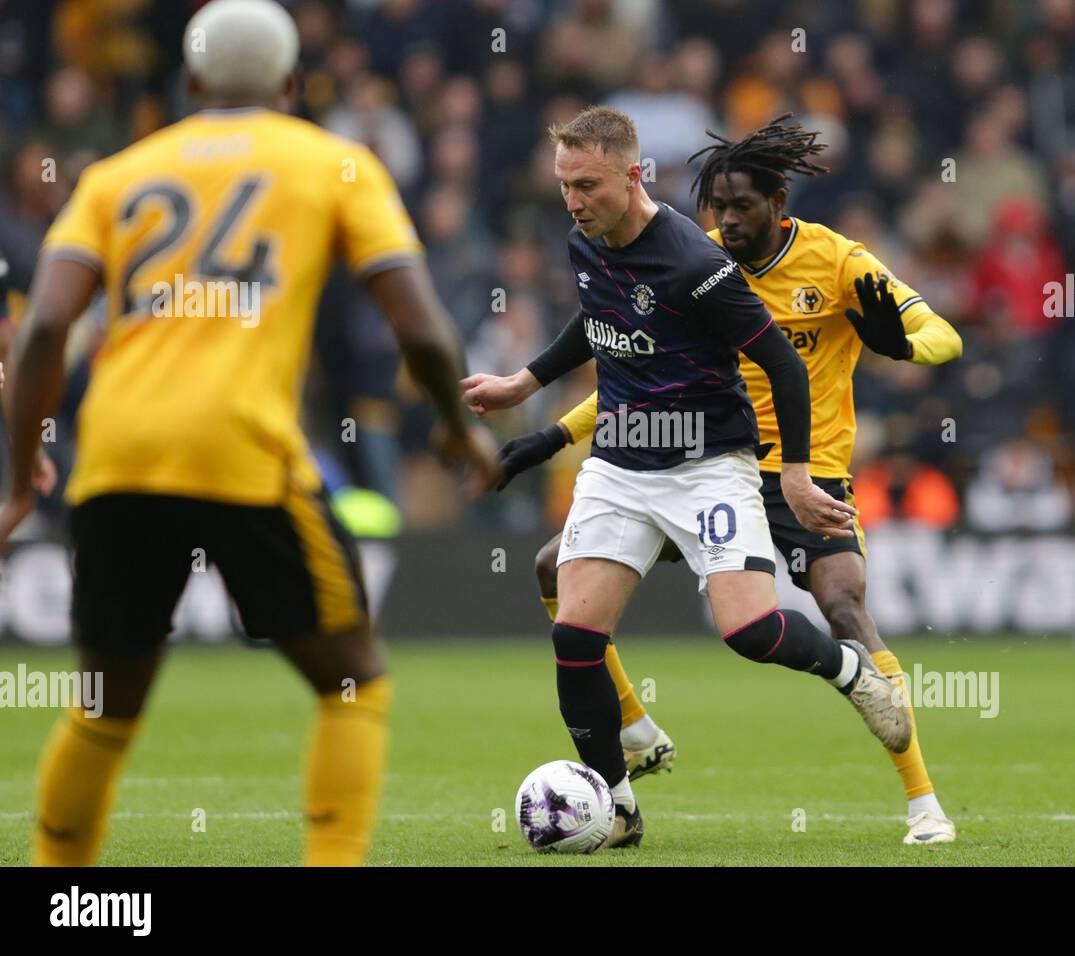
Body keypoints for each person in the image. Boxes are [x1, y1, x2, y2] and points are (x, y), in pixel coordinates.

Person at [0, 0, 498, 866]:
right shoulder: (333, 165)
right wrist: (458, 430)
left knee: (103, 706)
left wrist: (17, 473)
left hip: (116, 458)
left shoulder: (116, 174)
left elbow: (42, 331)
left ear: (189, 84)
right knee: (353, 679)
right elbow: (418, 327)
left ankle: (58, 893)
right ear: (293, 84)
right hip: (242, 451)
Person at [499, 116, 963, 844]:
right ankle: (630, 762)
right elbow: (627, 354)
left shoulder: (835, 261)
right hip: (670, 458)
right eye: (717, 207)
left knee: (836, 607)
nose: (728, 221)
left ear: (780, 202)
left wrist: (899, 343)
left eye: (743, 206)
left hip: (797, 467)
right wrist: (551, 428)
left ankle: (924, 802)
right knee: (557, 580)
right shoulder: (688, 258)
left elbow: (945, 336)